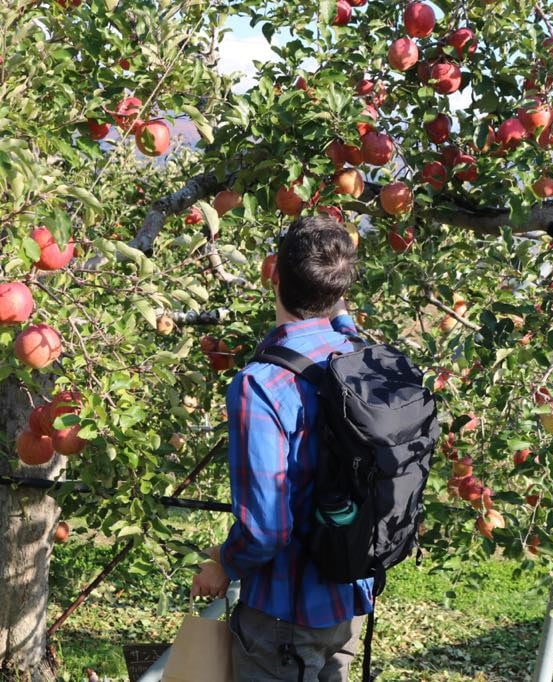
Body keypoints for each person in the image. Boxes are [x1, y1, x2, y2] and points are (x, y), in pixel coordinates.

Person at [190, 215, 373, 682]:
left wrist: (223, 565)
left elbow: (267, 530)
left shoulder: (261, 385)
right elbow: (342, 316)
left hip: (283, 615)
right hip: (346, 595)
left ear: (273, 276)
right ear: (338, 289)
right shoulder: (362, 356)